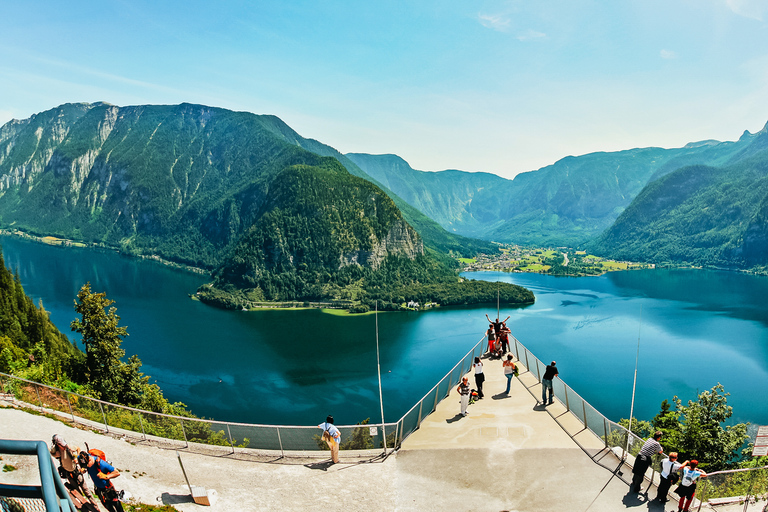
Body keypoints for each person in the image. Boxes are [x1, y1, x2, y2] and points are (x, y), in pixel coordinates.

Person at [50, 435, 99, 511]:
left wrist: (77, 458)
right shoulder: (56, 451)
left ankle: (96, 507)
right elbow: (51, 452)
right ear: (58, 445)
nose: (64, 446)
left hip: (76, 471)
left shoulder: (69, 447)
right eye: (61, 445)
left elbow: (78, 448)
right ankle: (84, 507)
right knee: (77, 492)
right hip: (68, 474)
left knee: (86, 491)